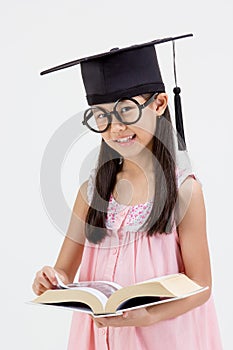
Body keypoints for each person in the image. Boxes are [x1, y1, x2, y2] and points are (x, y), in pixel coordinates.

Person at [32, 34, 223, 349]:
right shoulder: (92, 193)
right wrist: (51, 279)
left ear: (159, 104)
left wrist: (148, 315)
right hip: (99, 336)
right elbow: (64, 270)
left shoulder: (185, 192)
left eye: (127, 111)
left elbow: (201, 286)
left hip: (162, 336)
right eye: (102, 116)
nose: (115, 127)